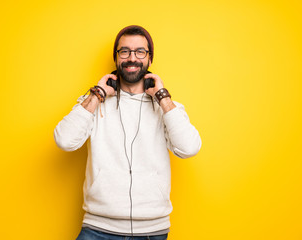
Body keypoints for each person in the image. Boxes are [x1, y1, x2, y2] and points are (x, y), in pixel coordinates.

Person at [54, 25, 202, 240]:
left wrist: (163, 97)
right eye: (125, 51)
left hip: (153, 232)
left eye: (140, 52)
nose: (132, 58)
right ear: (116, 58)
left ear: (150, 59)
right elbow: (64, 141)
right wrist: (97, 94)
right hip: (98, 229)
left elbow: (189, 148)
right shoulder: (94, 103)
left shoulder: (167, 106)